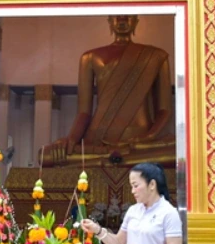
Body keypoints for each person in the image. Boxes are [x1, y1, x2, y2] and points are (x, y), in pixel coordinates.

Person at [43, 15, 175, 167]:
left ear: (136, 21)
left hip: (140, 144)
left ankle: (106, 161)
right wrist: (71, 140)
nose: (122, 20)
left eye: (127, 17)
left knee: (177, 153)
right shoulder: (89, 57)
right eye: (116, 17)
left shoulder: (156, 56)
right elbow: (83, 113)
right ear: (109, 22)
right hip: (98, 142)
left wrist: (148, 137)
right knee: (47, 156)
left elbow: (164, 110)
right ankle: (113, 160)